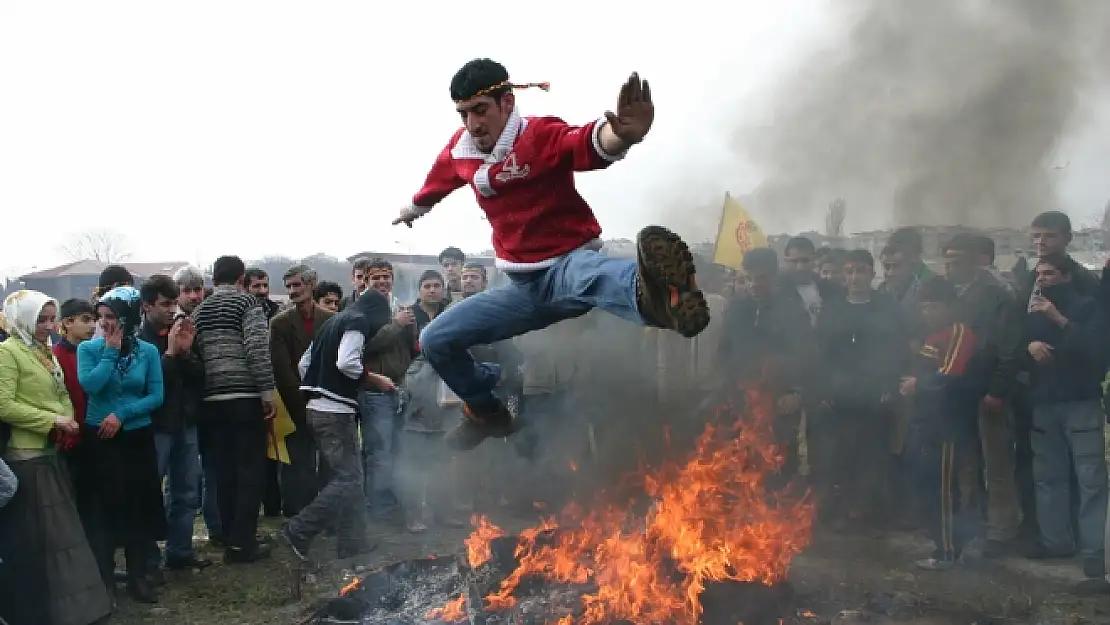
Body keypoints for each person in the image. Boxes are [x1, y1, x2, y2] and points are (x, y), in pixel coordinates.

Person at [393, 58, 709, 451]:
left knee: (590, 274)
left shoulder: (538, 136)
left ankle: (665, 299)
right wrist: (412, 210)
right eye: (464, 114)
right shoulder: (461, 151)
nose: (473, 123)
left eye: (480, 110)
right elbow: (437, 183)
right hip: (523, 288)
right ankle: (486, 412)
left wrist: (621, 136)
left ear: (507, 103)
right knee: (436, 338)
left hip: (566, 265)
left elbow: (585, 142)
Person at [0, 290, 112, 625]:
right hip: (27, 455)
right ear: (22, 320)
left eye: (51, 319)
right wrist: (51, 420)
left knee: (64, 535)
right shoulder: (8, 352)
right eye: (41, 320)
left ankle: (78, 609)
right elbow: (3, 404)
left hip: (52, 451)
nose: (48, 326)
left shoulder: (41, 352)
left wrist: (67, 419)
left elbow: (61, 390)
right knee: (48, 539)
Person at [282, 289, 394, 562]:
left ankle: (352, 543)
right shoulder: (358, 321)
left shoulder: (334, 321)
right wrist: (375, 379)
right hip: (334, 412)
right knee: (348, 479)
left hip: (317, 408)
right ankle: (298, 529)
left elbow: (304, 363)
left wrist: (320, 384)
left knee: (351, 478)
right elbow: (346, 362)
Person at [78, 286, 167, 603]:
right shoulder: (88, 350)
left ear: (129, 318)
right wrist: (110, 351)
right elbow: (91, 385)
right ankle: (105, 580)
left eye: (112, 318)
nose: (105, 324)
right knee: (105, 508)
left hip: (135, 436)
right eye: (100, 318)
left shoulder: (148, 351)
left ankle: (138, 575)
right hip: (100, 438)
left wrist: (123, 414)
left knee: (137, 506)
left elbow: (156, 396)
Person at [901, 277, 984, 570]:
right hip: (927, 421)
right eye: (924, 307)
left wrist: (917, 385)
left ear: (950, 306)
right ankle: (940, 544)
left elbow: (950, 375)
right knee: (927, 484)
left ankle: (949, 551)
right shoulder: (932, 335)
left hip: (949, 424)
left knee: (945, 490)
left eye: (934, 306)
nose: (929, 312)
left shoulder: (959, 332)